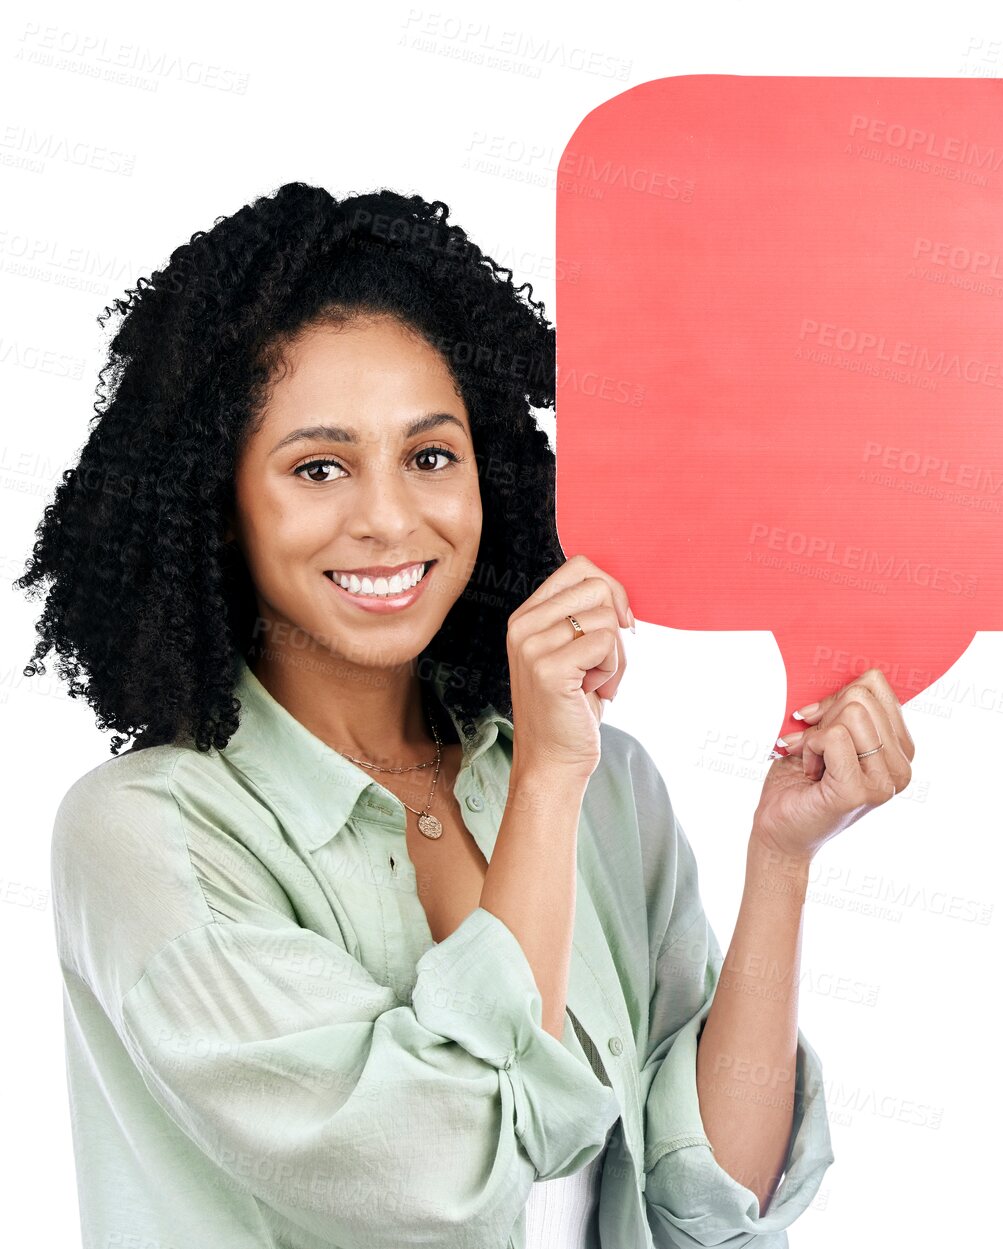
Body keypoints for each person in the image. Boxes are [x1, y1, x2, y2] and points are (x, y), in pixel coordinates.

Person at [15, 182, 916, 1248]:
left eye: (431, 456)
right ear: (218, 506)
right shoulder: (150, 834)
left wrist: (783, 856)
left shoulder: (604, 782)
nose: (391, 518)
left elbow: (708, 1200)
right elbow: (436, 1174)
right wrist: (541, 785)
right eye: (319, 467)